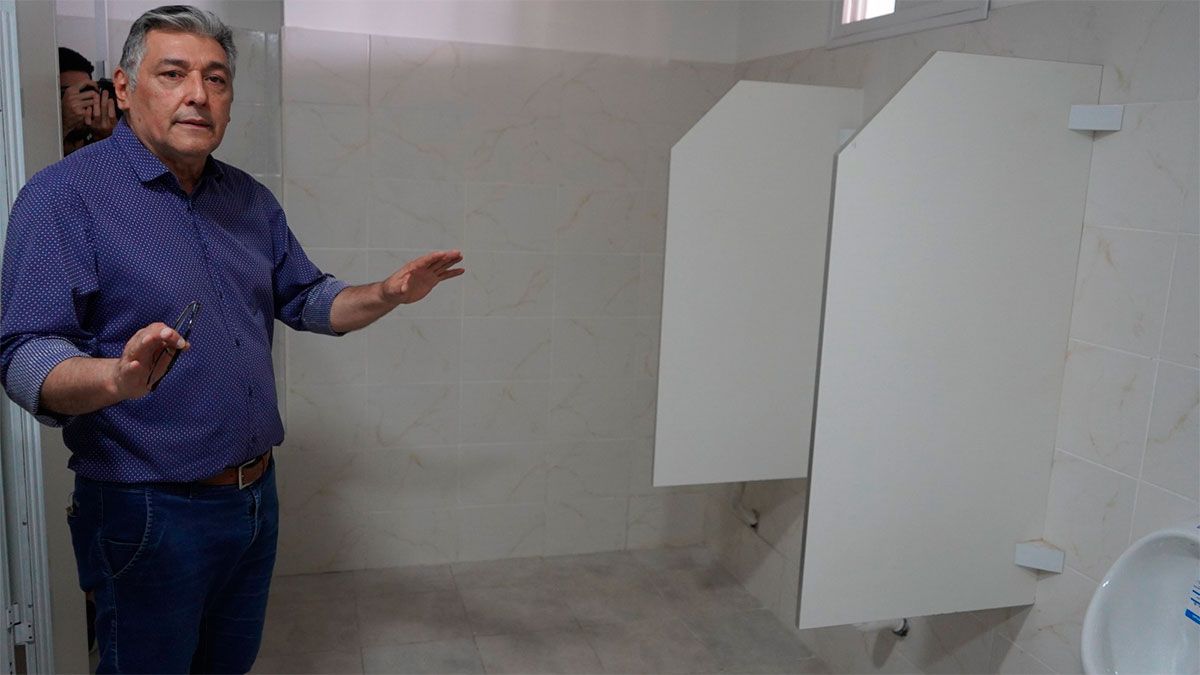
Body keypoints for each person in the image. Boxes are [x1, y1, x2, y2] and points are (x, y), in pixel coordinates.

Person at [0, 6, 464, 673]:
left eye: (216, 79)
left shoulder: (249, 200)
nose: (198, 94)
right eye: (173, 74)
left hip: (253, 499)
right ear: (124, 88)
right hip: (148, 509)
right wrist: (114, 378)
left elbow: (307, 297)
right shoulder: (63, 197)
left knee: (229, 664)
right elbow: (24, 354)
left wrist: (386, 293)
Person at [58, 47, 117, 156]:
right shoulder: (32, 140)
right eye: (69, 95)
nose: (78, 104)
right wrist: (63, 125)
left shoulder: (95, 136)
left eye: (86, 91)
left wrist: (108, 140)